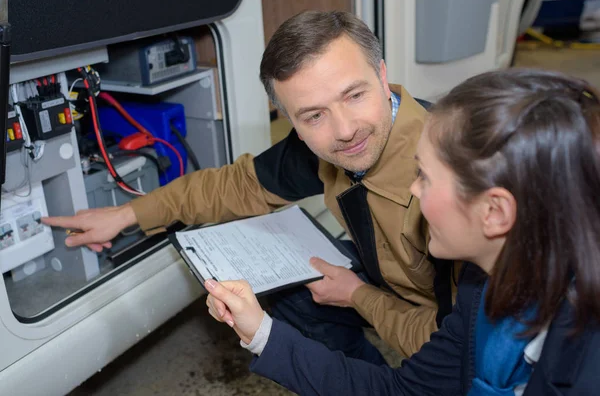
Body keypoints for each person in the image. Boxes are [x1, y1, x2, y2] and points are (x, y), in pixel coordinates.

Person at [42, 11, 457, 363]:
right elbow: (238, 186)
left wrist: (359, 296)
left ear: (382, 76)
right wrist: (127, 214)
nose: (344, 131)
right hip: (392, 279)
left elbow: (460, 347)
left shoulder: (456, 183)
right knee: (290, 288)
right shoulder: (331, 144)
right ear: (290, 118)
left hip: (448, 322)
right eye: (313, 116)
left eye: (354, 95)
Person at [204, 68, 600, 395]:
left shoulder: (585, 366)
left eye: (426, 177)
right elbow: (403, 391)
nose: (413, 189)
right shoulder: (483, 286)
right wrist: (259, 331)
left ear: (494, 211)